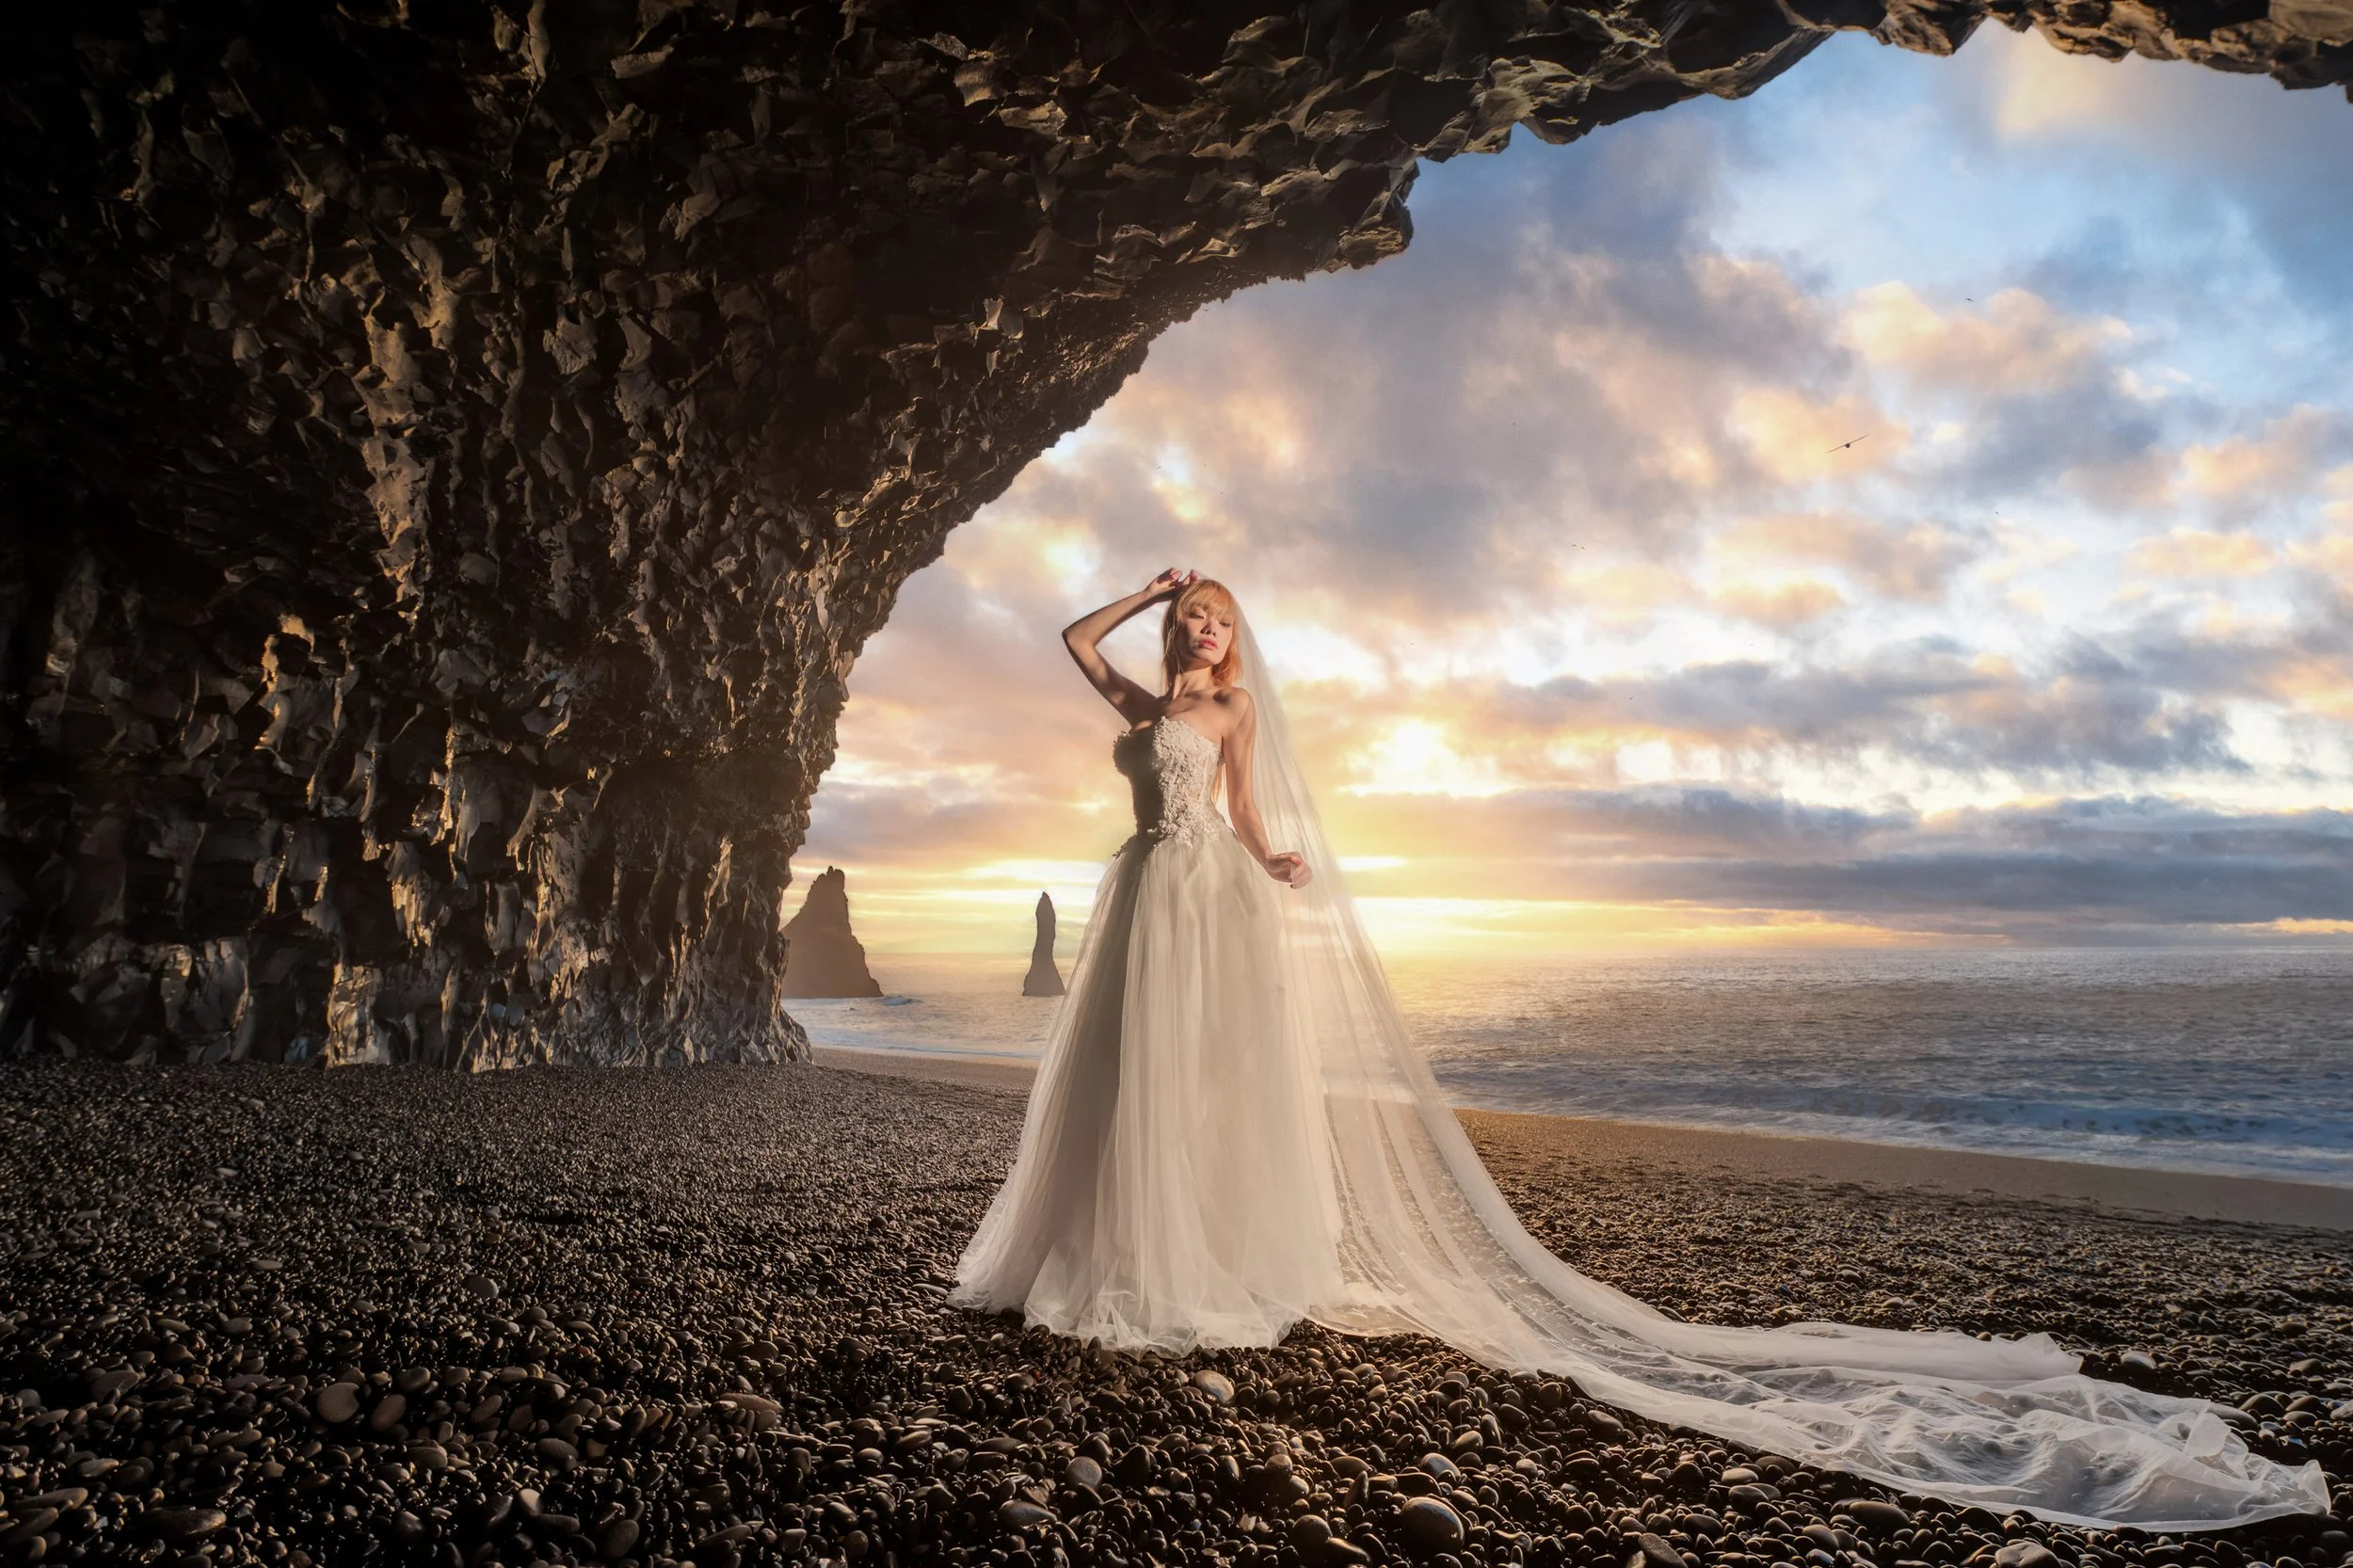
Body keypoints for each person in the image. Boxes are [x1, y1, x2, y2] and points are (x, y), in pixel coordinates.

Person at [951, 568, 2325, 1532]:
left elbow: (1248, 813)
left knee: (1200, 1092)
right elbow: (1070, 640)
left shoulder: (1235, 718)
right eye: (1190, 614)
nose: (1198, 630)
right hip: (1149, 902)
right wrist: (1138, 589)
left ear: (1236, 645)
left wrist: (1280, 859)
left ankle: (1196, 1257)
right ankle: (1109, 1248)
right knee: (1130, 1081)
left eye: (1211, 618)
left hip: (1222, 904)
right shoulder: (1139, 707)